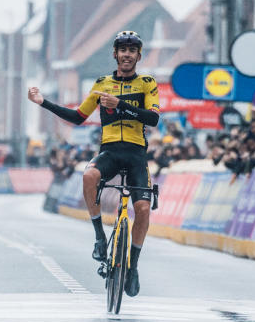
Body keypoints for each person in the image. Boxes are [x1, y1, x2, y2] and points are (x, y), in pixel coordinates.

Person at [27, 30, 159, 297]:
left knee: (143, 209)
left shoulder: (147, 83)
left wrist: (121, 105)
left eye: (132, 51)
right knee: (89, 176)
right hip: (109, 150)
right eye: (122, 50)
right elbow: (77, 117)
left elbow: (153, 119)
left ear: (138, 56)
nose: (127, 55)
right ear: (115, 54)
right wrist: (43, 103)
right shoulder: (102, 84)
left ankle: (132, 266)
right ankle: (99, 236)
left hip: (135, 153)